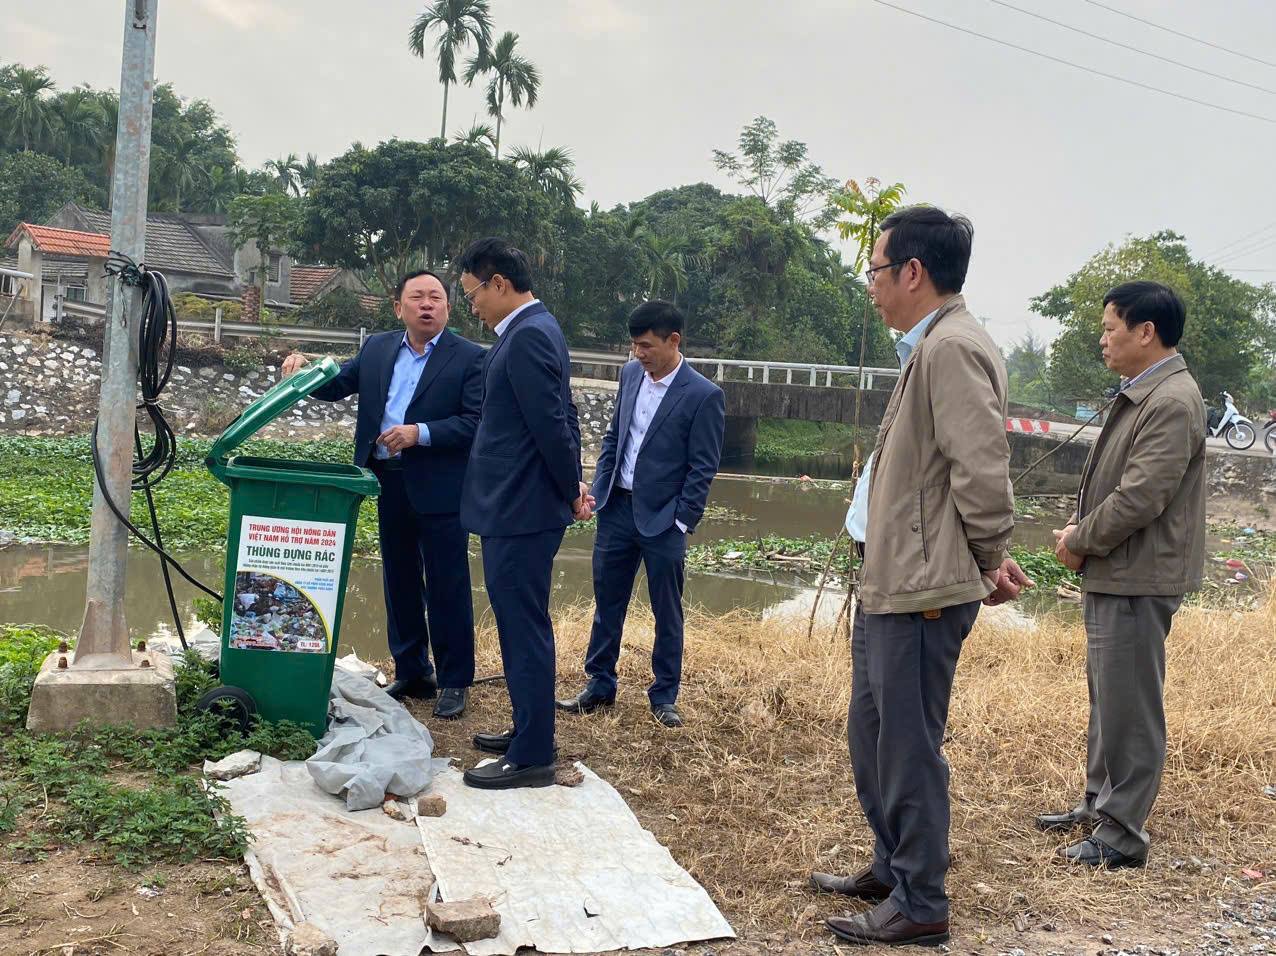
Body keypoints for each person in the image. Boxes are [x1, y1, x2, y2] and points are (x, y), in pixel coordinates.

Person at [811, 206, 1032, 947]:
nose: (869, 285)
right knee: (870, 733)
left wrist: (986, 559)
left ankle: (922, 901)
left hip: (924, 588)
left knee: (907, 745)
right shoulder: (930, 344)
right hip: (893, 577)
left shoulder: (952, 349)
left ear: (912, 272)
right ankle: (893, 863)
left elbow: (982, 470)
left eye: (875, 270)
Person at [1041, 281, 1205, 869]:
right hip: (1119, 569)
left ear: (1146, 332)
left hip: (1140, 574)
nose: (1103, 339)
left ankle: (1122, 834)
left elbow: (1141, 498)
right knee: (1108, 695)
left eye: (1111, 327)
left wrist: (1080, 539)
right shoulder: (1143, 392)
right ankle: (1097, 805)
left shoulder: (1172, 400)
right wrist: (1083, 533)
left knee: (1131, 703)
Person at [281, 270, 482, 719]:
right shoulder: (377, 348)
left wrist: (420, 433)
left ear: (448, 308)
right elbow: (338, 385)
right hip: (387, 479)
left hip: (442, 487)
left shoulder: (469, 358)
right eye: (417, 297)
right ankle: (413, 670)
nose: (427, 305)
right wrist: (306, 369)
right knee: (399, 578)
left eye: (436, 298)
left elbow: (475, 422)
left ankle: (454, 681)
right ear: (399, 307)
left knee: (447, 584)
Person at [455, 237, 590, 791]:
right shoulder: (531, 332)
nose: (473, 307)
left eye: (473, 295)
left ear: (500, 284)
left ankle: (534, 755)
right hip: (516, 504)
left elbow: (553, 427)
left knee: (523, 625)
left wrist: (570, 490)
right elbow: (563, 413)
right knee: (517, 624)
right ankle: (529, 728)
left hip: (523, 508)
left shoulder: (530, 335)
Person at [557, 300, 725, 729]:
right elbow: (615, 436)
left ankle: (664, 694)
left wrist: (682, 520)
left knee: (666, 610)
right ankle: (599, 683)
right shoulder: (631, 374)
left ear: (674, 341)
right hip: (618, 509)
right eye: (634, 346)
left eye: (646, 346)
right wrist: (599, 492)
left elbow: (702, 467)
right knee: (606, 600)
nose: (638, 355)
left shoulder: (703, 395)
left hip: (664, 520)